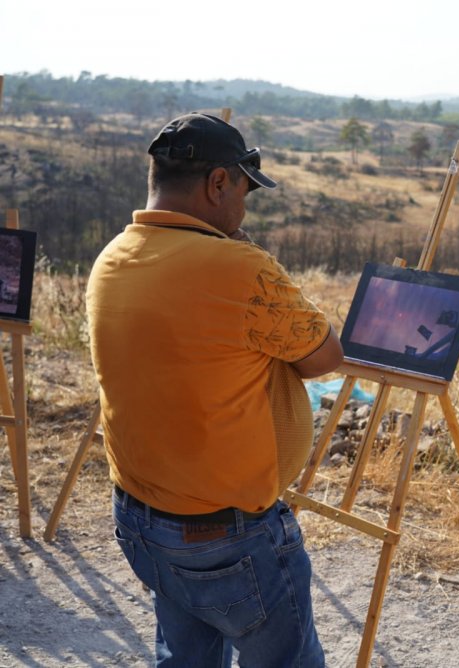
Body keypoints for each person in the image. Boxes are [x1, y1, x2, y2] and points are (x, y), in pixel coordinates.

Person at [87, 112, 343, 666]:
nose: (244, 208)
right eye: (244, 191)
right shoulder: (239, 267)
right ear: (218, 182)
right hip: (227, 537)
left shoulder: (111, 258)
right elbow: (325, 358)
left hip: (141, 518)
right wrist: (248, 253)